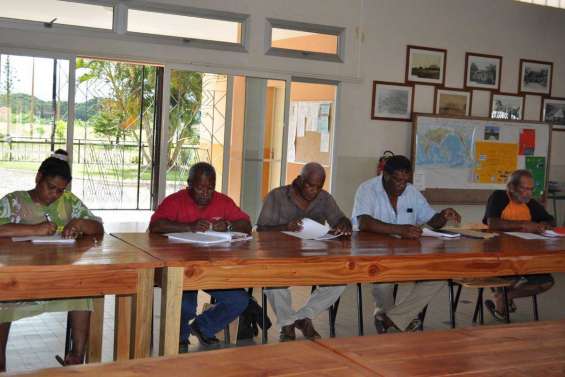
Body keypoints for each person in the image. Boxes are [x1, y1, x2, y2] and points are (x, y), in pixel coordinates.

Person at [0, 150, 104, 371]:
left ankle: (76, 357)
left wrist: (78, 223)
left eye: (60, 190)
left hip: (58, 278)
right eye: (50, 187)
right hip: (18, 279)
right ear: (38, 178)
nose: (55, 195)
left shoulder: (68, 202)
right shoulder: (14, 200)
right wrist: (34, 229)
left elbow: (97, 227)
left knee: (83, 292)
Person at [352, 155, 461, 333]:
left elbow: (432, 220)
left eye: (405, 180)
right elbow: (364, 222)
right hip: (375, 255)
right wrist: (399, 229)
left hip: (407, 256)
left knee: (440, 275)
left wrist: (443, 216)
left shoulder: (411, 191)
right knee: (382, 281)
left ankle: (391, 318)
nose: (401, 185)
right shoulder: (367, 189)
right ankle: (390, 315)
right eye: (397, 180)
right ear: (384, 175)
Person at [149, 162, 250, 348]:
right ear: (189, 184)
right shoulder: (175, 201)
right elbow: (155, 226)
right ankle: (179, 337)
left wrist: (228, 225)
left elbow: (246, 224)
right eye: (200, 188)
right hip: (182, 270)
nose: (205, 193)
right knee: (186, 305)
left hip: (213, 269)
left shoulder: (223, 201)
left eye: (210, 188)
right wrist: (188, 227)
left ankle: (203, 326)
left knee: (239, 300)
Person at [256, 162, 352, 341]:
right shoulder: (276, 196)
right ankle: (287, 324)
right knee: (274, 281)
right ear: (299, 180)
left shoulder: (324, 198)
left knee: (340, 280)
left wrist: (345, 223)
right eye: (309, 185)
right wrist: (285, 227)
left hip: (312, 257)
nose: (313, 191)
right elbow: (261, 230)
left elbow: (340, 219)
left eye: (318, 187)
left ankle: (303, 317)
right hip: (280, 257)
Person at [482, 169, 555, 320]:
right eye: (525, 189)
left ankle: (504, 297)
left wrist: (543, 224)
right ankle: (502, 305)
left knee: (546, 282)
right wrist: (523, 225)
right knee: (511, 277)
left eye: (531, 189)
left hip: (524, 258)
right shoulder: (499, 197)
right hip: (498, 258)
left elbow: (551, 220)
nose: (529, 193)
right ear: (512, 187)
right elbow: (493, 223)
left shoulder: (531, 204)